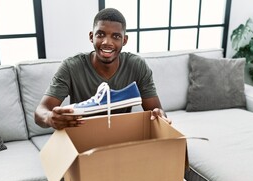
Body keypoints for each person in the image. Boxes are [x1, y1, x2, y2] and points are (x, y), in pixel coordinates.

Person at [35, 8, 171, 130]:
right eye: (100, 35)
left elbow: (156, 110)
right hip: (82, 134)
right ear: (91, 37)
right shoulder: (71, 67)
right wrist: (49, 118)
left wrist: (160, 115)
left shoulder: (137, 65)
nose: (107, 42)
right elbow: (40, 111)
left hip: (119, 134)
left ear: (124, 40)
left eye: (116, 36)